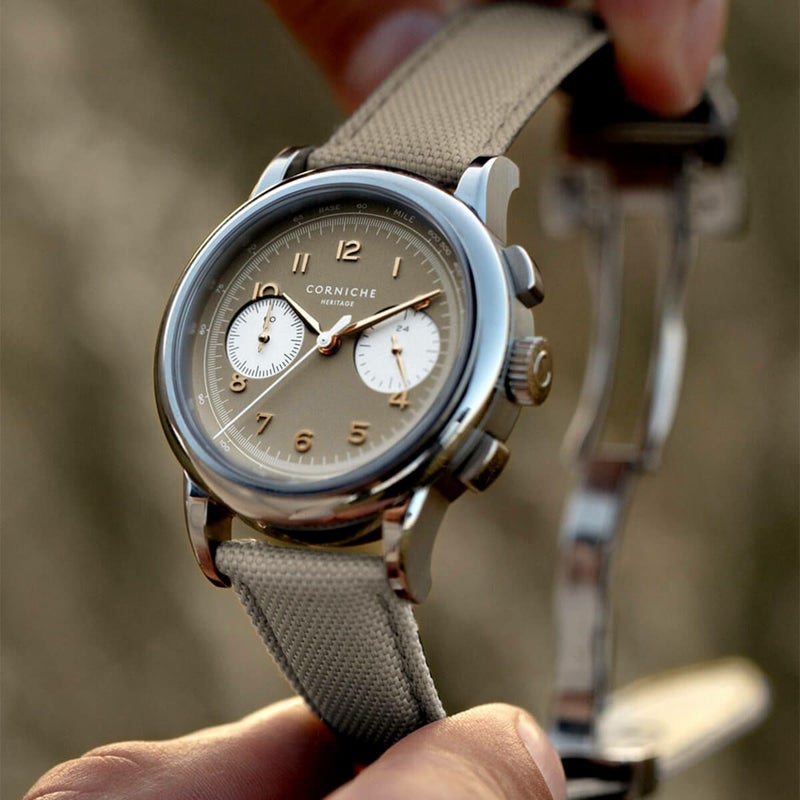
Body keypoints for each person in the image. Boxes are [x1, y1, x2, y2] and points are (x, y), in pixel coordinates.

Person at [23, 1, 727, 798]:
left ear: (514, 372)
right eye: (318, 334)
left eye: (350, 338)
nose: (328, 340)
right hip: (264, 478)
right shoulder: (294, 209)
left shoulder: (457, 200)